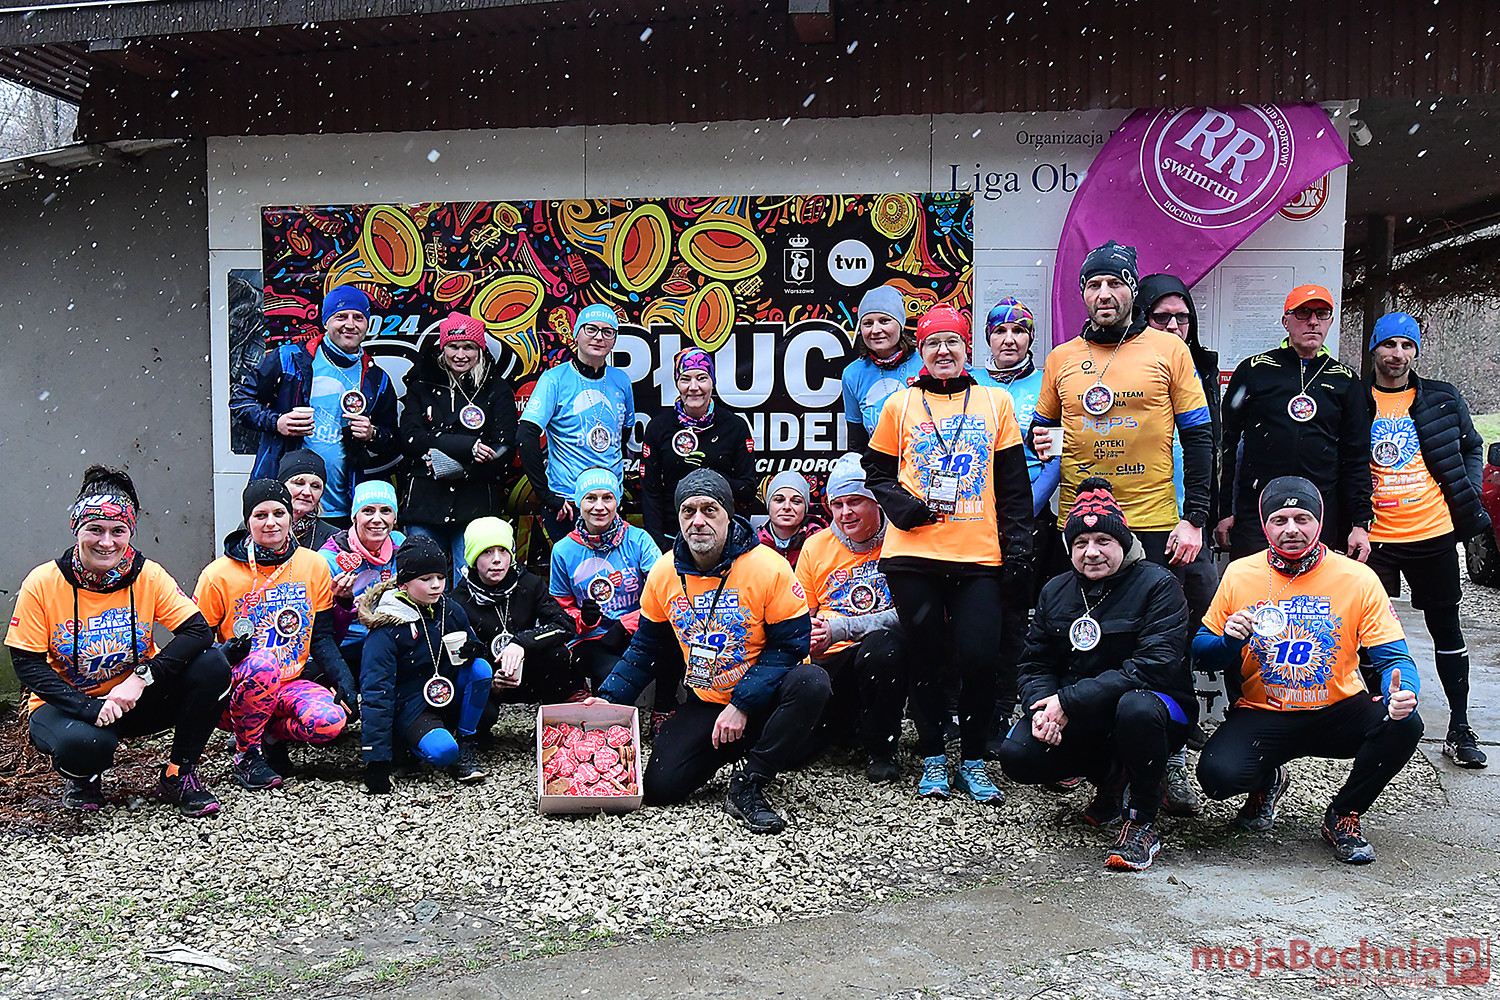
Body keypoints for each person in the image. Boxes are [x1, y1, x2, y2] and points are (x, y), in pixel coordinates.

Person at [1195, 477, 1422, 865]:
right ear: (1265, 525)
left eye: (1302, 519)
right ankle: (1268, 780)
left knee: (1405, 724)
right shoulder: (1239, 573)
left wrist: (1402, 691)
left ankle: (1345, 813)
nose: (1291, 530)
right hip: (1264, 710)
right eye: (1280, 520)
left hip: (1338, 710)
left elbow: (1394, 659)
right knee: (1216, 778)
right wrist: (1229, 640)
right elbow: (1203, 655)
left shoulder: (1357, 577)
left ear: (1319, 522)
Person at [591, 469, 827, 834]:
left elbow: (790, 646)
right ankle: (736, 747)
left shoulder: (769, 567)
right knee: (661, 787)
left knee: (813, 681)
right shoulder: (664, 572)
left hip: (768, 698)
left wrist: (743, 705)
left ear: (728, 515)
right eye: (688, 511)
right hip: (710, 696)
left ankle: (749, 782)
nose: (698, 521)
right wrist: (609, 699)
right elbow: (647, 647)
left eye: (709, 510)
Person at [863, 304, 1033, 803]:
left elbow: (1014, 485)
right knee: (927, 658)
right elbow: (877, 473)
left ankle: (973, 760)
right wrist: (906, 510)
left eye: (952, 342)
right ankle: (935, 757)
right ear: (921, 350)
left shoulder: (995, 401)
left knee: (979, 658)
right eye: (933, 343)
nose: (943, 351)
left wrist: (1019, 550)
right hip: (914, 556)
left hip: (978, 556)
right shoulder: (900, 404)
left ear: (966, 348)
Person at [6, 465, 229, 817]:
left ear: (130, 532)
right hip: (69, 706)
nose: (106, 542)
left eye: (118, 531)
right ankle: (84, 778)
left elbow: (197, 631)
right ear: (77, 529)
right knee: (87, 745)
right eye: (95, 529)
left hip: (132, 698)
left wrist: (142, 678)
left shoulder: (148, 575)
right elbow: (26, 663)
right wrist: (88, 708)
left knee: (213, 665)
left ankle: (178, 774)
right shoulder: (43, 582)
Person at [997, 478, 1195, 871]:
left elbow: (1152, 667)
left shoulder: (1159, 585)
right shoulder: (1055, 590)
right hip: (1084, 710)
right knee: (1018, 755)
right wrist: (1043, 710)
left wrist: (1068, 701)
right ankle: (1112, 778)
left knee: (1136, 709)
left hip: (1159, 708)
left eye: (1103, 541)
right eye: (1081, 543)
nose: (1092, 552)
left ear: (1124, 542)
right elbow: (1035, 663)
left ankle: (1141, 820)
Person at [1030, 241, 1213, 576]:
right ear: (1083, 293)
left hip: (1151, 521)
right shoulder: (1061, 357)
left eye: (1114, 283)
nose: (1104, 294)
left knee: (1154, 610)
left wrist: (1195, 518)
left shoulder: (1170, 349)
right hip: (1079, 521)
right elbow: (1041, 432)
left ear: (1132, 289)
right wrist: (1045, 443)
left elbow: (1199, 438)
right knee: (1079, 611)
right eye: (1093, 285)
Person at [1364, 312, 1489, 768]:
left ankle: (1459, 727)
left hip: (1432, 532)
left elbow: (1471, 445)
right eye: (1389, 344)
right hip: (1374, 539)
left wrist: (1468, 492)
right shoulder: (1354, 399)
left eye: (1406, 345)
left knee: (1446, 630)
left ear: (1416, 351)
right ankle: (1374, 722)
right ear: (1374, 349)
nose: (1397, 354)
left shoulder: (1442, 397)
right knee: (1368, 634)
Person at [194, 479, 355, 787]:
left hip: (290, 683)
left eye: (279, 514)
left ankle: (269, 736)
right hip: (233, 692)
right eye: (260, 515)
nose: (271, 523)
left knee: (331, 723)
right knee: (262, 663)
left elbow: (321, 636)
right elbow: (196, 645)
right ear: (247, 521)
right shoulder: (217, 575)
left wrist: (344, 679)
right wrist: (224, 654)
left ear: (290, 517)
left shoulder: (314, 565)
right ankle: (247, 755)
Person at [1137, 272, 1222, 817]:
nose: (1173, 327)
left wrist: (1201, 517)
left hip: (1185, 523)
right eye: (1161, 317)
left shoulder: (1202, 367)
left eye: (1182, 318)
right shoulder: (1113, 365)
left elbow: (1209, 446)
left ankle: (1178, 744)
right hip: (1134, 520)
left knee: (1196, 627)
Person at [1216, 284, 1373, 561]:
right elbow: (1225, 444)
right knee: (1253, 582)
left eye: (1321, 314)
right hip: (1258, 510)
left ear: (1330, 322)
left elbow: (1356, 456)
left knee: (1315, 585)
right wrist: (1224, 511)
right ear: (1285, 321)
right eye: (1303, 313)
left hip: (1320, 510)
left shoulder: (1345, 380)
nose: (1313, 321)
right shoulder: (1254, 370)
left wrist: (1359, 523)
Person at [231, 285, 400, 525]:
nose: (350, 324)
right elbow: (240, 402)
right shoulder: (288, 358)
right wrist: (277, 422)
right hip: (282, 505)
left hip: (343, 508)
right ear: (325, 321)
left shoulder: (376, 378)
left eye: (358, 317)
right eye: (341, 316)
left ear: (367, 324)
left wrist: (372, 434)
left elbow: (392, 440)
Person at [972, 296, 1061, 746]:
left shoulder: (1047, 383)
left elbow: (1056, 458)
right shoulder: (971, 382)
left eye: (1019, 331)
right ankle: (969, 709)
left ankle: (1007, 710)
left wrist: (1024, 511)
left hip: (1030, 519)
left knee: (1017, 619)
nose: (1009, 339)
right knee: (978, 616)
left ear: (1031, 338)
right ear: (987, 338)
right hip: (974, 518)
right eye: (1000, 331)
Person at [796, 453, 909, 783]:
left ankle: (882, 751)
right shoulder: (816, 546)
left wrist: (841, 628)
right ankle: (847, 728)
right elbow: (800, 614)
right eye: (837, 504)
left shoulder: (902, 540)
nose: (845, 513)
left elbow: (910, 616)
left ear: (876, 502)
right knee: (796, 756)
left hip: (885, 656)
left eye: (855, 501)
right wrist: (809, 637)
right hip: (831, 663)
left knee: (882, 648)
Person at [358, 537, 493, 789]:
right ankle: (406, 747)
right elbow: (376, 690)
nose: (436, 585)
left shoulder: (451, 609)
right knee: (443, 751)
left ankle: (465, 743)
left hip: (446, 693)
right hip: (410, 705)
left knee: (480, 668)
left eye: (441, 577)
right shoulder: (386, 626)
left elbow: (476, 651)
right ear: (404, 583)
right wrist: (377, 759)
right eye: (426, 579)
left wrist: (475, 649)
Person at [398, 312, 519, 576]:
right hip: (425, 503)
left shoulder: (497, 389)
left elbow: (504, 448)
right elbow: (409, 438)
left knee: (468, 583)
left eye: (469, 347)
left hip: (475, 504)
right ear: (443, 348)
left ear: (480, 349)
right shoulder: (421, 384)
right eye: (453, 346)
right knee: (421, 580)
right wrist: (468, 447)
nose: (460, 354)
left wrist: (455, 467)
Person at [518, 304, 635, 542]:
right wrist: (546, 495)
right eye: (591, 329)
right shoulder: (554, 379)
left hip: (609, 502)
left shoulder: (621, 380)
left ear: (614, 340)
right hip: (568, 503)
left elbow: (623, 433)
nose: (599, 337)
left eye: (608, 332)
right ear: (576, 334)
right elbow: (525, 436)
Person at [450, 516, 581, 720]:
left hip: (528, 672)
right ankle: (470, 732)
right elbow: (455, 656)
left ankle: (552, 723)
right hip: (490, 681)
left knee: (558, 654)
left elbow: (564, 625)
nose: (497, 559)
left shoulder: (529, 584)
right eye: (487, 551)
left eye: (503, 551)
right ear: (473, 557)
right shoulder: (458, 600)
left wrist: (522, 642)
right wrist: (490, 679)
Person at [548, 467, 662, 693]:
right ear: (578, 502)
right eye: (591, 498)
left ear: (617, 501)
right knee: (611, 676)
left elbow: (663, 594)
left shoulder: (639, 540)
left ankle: (664, 705)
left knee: (669, 646)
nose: (599, 506)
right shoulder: (563, 550)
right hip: (591, 638)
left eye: (607, 498)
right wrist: (584, 619)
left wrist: (626, 624)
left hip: (638, 629)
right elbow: (558, 609)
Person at [642, 346, 756, 549]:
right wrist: (658, 544)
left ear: (713, 382)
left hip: (721, 539)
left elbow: (747, 490)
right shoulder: (659, 427)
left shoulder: (735, 426)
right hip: (673, 537)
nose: (693, 387)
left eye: (702, 378)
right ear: (677, 383)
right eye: (685, 379)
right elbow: (650, 493)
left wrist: (709, 478)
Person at [320, 479, 405, 669]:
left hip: (391, 642)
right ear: (354, 517)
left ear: (395, 518)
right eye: (368, 511)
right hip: (345, 648)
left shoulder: (401, 544)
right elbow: (320, 630)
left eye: (386, 511)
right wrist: (342, 603)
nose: (377, 519)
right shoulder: (329, 559)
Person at [841, 284, 923, 453]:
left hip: (923, 462)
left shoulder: (926, 363)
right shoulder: (852, 374)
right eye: (868, 323)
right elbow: (857, 443)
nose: (876, 330)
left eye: (885, 321)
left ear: (900, 324)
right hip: (880, 465)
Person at [756, 471, 826, 569]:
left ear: (805, 508)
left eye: (796, 501)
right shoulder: (754, 545)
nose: (787, 506)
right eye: (779, 500)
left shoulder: (821, 543)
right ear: (768, 505)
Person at [278, 449, 337, 552]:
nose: (307, 492)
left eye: (315, 486)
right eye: (299, 483)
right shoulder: (260, 526)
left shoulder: (332, 537)